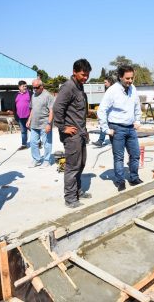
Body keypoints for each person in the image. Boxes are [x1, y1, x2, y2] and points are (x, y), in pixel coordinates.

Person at [54, 59, 92, 208]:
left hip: (81, 132)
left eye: (87, 75)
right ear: (74, 72)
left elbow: (79, 112)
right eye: (83, 74)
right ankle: (70, 198)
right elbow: (57, 108)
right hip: (72, 135)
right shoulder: (68, 87)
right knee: (72, 166)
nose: (85, 77)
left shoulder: (80, 87)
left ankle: (77, 190)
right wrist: (63, 128)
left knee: (81, 164)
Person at [97, 65, 143, 192]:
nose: (130, 81)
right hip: (117, 128)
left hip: (130, 128)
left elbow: (137, 106)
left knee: (135, 155)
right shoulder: (112, 91)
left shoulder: (133, 89)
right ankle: (120, 181)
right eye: (127, 78)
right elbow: (101, 110)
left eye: (132, 78)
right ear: (120, 77)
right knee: (119, 157)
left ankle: (134, 178)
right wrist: (106, 129)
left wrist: (138, 120)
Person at [27, 79, 55, 167]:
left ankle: (47, 160)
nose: (34, 89)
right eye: (33, 87)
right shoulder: (33, 95)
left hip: (44, 124)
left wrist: (49, 124)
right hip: (34, 124)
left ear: (41, 86)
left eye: (36, 87)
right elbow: (32, 109)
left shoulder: (48, 96)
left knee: (46, 143)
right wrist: (29, 120)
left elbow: (52, 111)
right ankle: (36, 159)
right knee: (33, 142)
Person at [92, 76, 115, 147]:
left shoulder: (112, 90)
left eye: (105, 82)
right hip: (108, 111)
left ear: (109, 82)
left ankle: (101, 141)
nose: (104, 84)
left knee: (105, 125)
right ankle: (102, 141)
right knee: (105, 125)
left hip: (111, 112)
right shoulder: (109, 89)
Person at [15, 80, 31, 150]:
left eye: (26, 86)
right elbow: (14, 106)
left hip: (29, 117)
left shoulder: (30, 93)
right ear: (19, 87)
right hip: (20, 117)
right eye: (23, 86)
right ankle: (24, 144)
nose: (25, 87)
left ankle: (38, 142)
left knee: (33, 130)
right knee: (23, 131)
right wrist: (16, 116)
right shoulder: (16, 95)